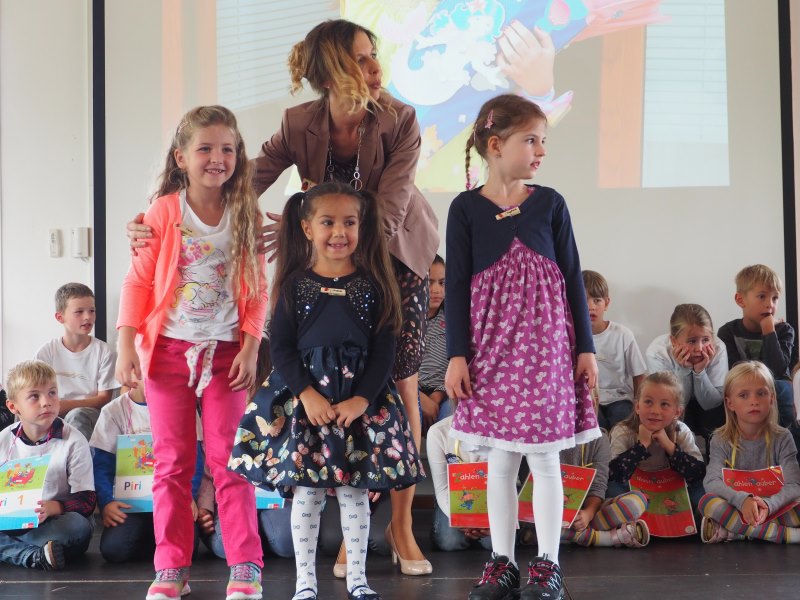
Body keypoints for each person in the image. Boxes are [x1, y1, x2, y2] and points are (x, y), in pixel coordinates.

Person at [128, 19, 438, 571]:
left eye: (374, 55)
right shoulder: (300, 122)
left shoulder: (401, 118)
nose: (376, 67)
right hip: (324, 256)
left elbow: (390, 206)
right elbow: (240, 176)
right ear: (333, 70)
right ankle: (352, 527)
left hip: (392, 255)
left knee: (397, 384)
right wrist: (165, 212)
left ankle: (399, 525)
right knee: (328, 380)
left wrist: (342, 250)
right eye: (362, 58)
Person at [229, 182, 424, 600]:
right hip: (308, 408)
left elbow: (385, 351)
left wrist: (361, 399)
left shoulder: (374, 284)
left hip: (359, 407)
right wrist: (306, 394)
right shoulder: (295, 285)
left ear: (362, 226)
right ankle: (306, 582)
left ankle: (358, 579)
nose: (339, 232)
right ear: (307, 227)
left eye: (349, 222)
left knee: (356, 494)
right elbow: (282, 349)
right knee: (308, 494)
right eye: (328, 222)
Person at [444, 94, 600, 600]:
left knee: (547, 459)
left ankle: (548, 564)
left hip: (547, 351)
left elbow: (572, 276)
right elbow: (457, 286)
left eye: (543, 141)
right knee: (502, 461)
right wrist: (457, 354)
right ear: (495, 145)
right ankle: (503, 562)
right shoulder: (465, 208)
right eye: (531, 140)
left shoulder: (550, 203)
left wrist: (585, 347)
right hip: (490, 353)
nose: (541, 151)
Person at [116, 105, 267, 600]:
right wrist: (126, 343)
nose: (217, 158)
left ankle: (245, 566)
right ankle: (171, 569)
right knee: (172, 465)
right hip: (167, 353)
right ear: (181, 157)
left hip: (226, 353)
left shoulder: (246, 212)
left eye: (227, 149)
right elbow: (138, 282)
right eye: (205, 148)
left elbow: (257, 289)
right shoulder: (164, 212)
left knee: (229, 461)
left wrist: (250, 347)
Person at [90, 376, 204, 563]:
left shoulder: (184, 407)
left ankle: (159, 538)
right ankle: (155, 538)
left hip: (173, 500)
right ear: (132, 376)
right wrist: (107, 502)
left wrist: (189, 494)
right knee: (114, 549)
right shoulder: (113, 411)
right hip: (132, 505)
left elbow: (195, 459)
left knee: (187, 548)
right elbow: (102, 465)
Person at [0, 360, 95, 570]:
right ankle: (34, 555)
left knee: (77, 527)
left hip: (57, 522)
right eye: (35, 396)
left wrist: (54, 507)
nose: (46, 402)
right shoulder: (4, 440)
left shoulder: (74, 440)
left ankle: (14, 549)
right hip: (13, 522)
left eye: (52, 393)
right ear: (13, 406)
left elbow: (87, 501)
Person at [699, 361, 800, 543]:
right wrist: (742, 500)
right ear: (730, 403)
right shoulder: (721, 439)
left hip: (774, 506)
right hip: (738, 506)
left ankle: (737, 531)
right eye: (743, 395)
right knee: (708, 503)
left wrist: (768, 505)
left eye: (761, 393)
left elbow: (794, 484)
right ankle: (785, 535)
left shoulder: (783, 437)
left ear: (772, 398)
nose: (754, 401)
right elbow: (712, 481)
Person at [608, 372, 706, 512]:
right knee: (613, 489)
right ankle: (625, 522)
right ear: (637, 406)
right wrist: (641, 446)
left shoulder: (681, 431)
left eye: (664, 404)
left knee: (700, 492)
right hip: (635, 490)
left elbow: (698, 472)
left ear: (677, 412)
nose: (655, 411)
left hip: (673, 487)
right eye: (648, 402)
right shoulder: (623, 431)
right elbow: (613, 474)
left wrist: (670, 447)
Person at [717, 265, 797, 430]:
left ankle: (789, 437)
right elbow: (733, 372)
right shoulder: (728, 332)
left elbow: (778, 370)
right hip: (745, 388)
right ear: (740, 300)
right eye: (762, 296)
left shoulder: (784, 330)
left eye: (775, 298)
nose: (770, 304)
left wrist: (769, 331)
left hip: (774, 389)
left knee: (782, 387)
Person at [35, 282, 117, 441]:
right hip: (52, 410)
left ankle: (81, 458)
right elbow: (36, 391)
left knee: (77, 415)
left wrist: (65, 405)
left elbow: (104, 399)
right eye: (79, 312)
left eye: (92, 311)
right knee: (26, 413)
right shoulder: (46, 352)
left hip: (89, 414)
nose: (88, 317)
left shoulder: (104, 352)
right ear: (60, 317)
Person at [645, 304, 728, 442]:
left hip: (708, 402)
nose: (699, 348)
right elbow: (672, 402)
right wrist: (684, 370)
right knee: (667, 412)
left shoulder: (718, 347)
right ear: (673, 341)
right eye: (692, 341)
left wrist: (700, 372)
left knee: (719, 414)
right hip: (674, 403)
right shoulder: (657, 352)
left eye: (705, 340)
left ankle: (715, 451)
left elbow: (711, 403)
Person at [582, 270, 646, 431]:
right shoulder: (570, 337)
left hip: (619, 399)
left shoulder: (623, 335)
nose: (591, 307)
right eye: (584, 300)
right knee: (594, 426)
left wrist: (640, 406)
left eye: (597, 300)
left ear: (606, 303)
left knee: (622, 424)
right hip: (586, 398)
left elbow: (639, 376)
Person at [559, 436, 649, 548]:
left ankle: (567, 535)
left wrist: (588, 514)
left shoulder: (599, 438)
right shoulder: (541, 435)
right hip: (549, 514)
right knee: (540, 525)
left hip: (586, 512)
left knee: (636, 501)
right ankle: (603, 538)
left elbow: (598, 487)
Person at [419, 255, 451, 432]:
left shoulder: (451, 320)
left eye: (442, 283)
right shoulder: (404, 321)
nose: (437, 289)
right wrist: (421, 398)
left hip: (444, 393)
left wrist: (437, 397)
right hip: (411, 391)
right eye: (429, 282)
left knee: (451, 419)